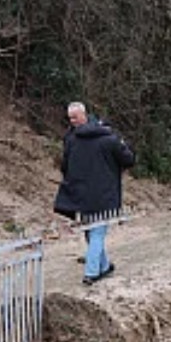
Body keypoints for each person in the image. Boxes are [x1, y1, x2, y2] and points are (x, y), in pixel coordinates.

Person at [53, 101, 135, 285]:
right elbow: (128, 159)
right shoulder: (110, 139)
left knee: (92, 231)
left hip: (81, 195)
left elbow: (65, 167)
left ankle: (104, 266)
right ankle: (91, 273)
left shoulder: (71, 140)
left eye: (74, 117)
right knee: (96, 232)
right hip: (104, 195)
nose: (72, 121)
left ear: (84, 115)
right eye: (70, 118)